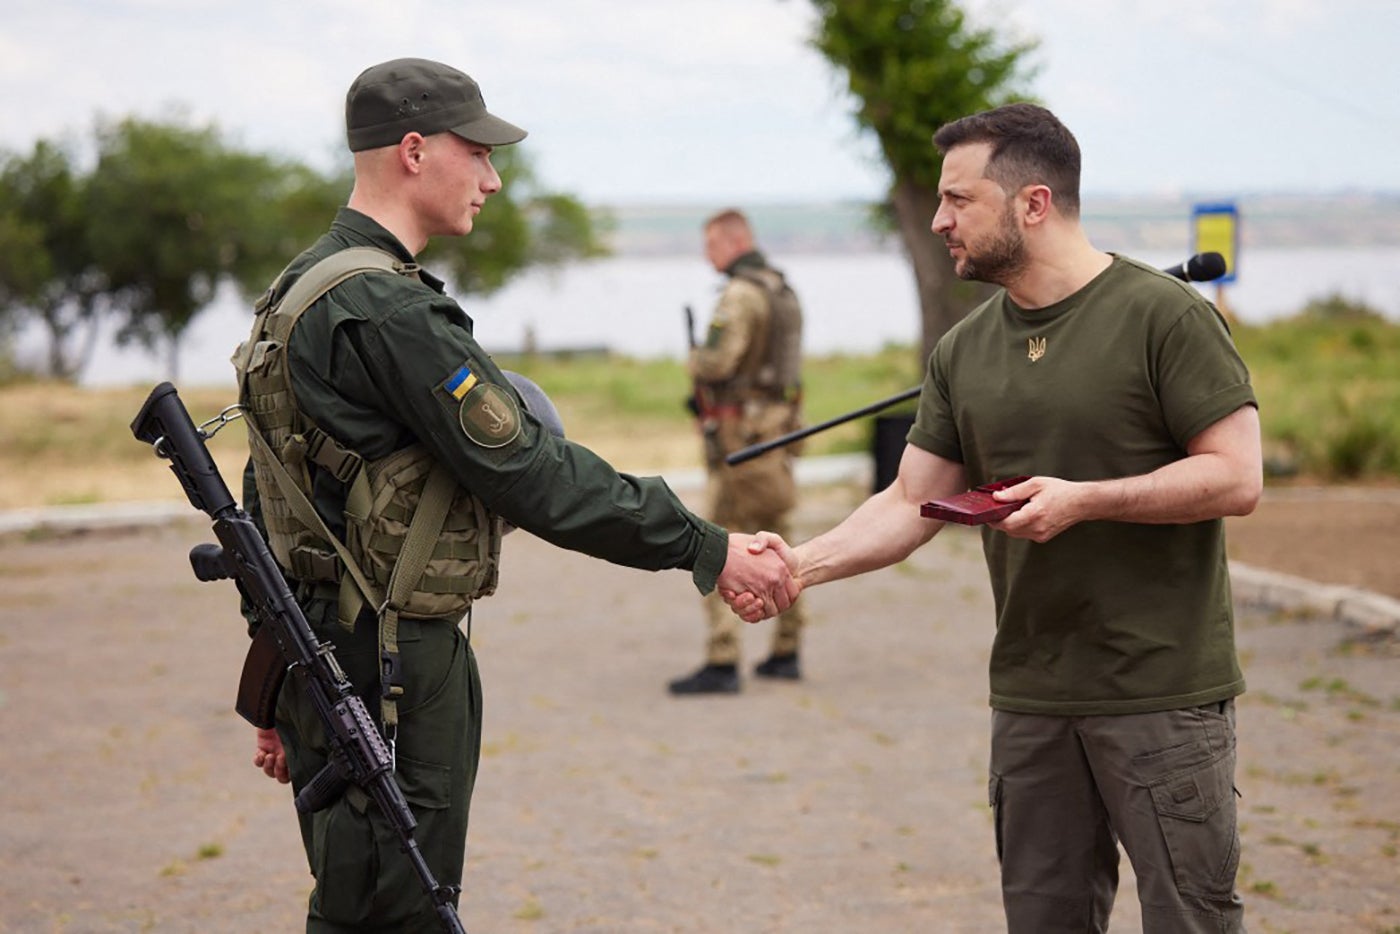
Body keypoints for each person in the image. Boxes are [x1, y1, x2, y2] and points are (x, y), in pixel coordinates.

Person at [239, 57, 795, 932]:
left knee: (359, 903)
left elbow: (266, 507)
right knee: (399, 910)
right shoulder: (387, 310)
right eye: (479, 154)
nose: (494, 179)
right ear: (414, 151)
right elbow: (533, 473)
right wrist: (707, 546)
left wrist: (273, 690)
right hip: (389, 665)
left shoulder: (297, 291)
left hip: (321, 654)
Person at [729, 103, 1261, 932]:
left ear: (1034, 204)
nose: (939, 219)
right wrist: (799, 566)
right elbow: (911, 500)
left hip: (1162, 697)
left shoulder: (1165, 315)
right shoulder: (964, 349)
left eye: (959, 200)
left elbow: (1236, 476)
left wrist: (1086, 500)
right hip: (1032, 699)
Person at [668, 209, 808, 695]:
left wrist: (694, 360)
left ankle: (722, 658)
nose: (709, 255)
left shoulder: (741, 294)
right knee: (784, 539)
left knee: (716, 542)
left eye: (712, 245)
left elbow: (719, 359)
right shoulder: (781, 290)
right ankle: (787, 649)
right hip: (778, 435)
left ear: (734, 241)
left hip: (740, 443)